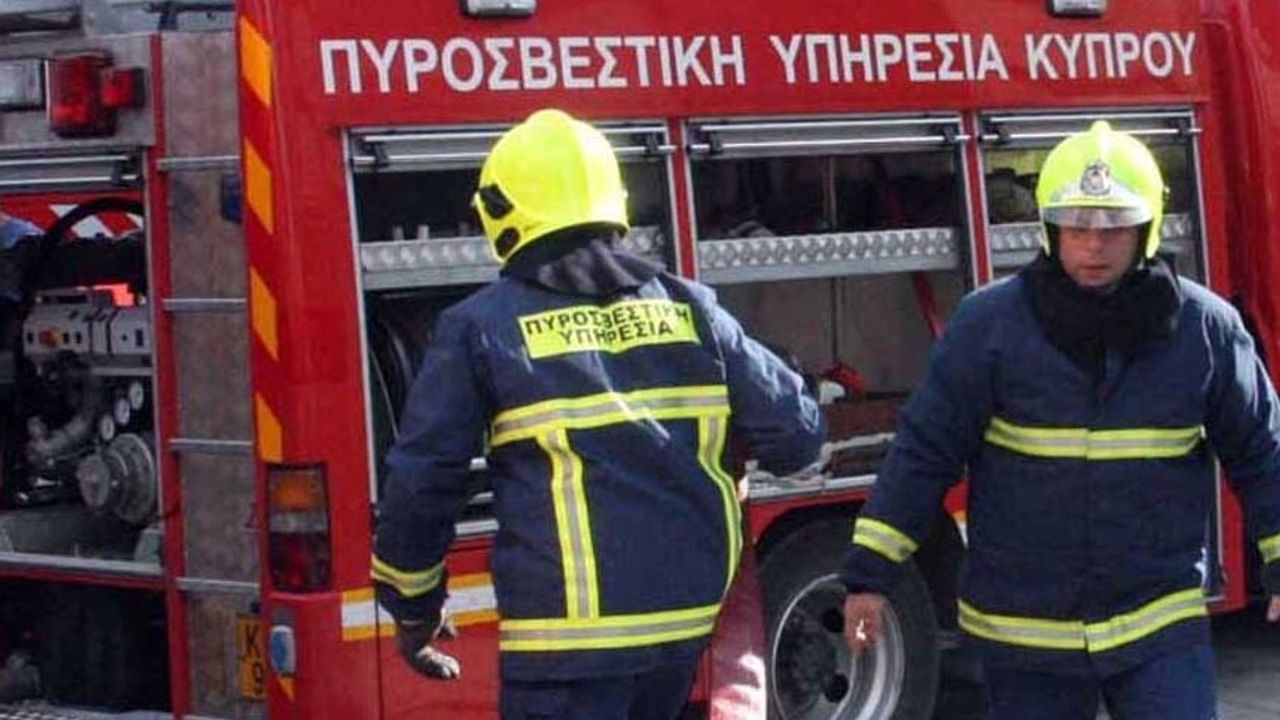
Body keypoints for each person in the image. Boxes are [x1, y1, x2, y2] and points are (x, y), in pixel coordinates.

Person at [371, 108, 824, 720]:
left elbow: (424, 480)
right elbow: (798, 440)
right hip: (679, 634)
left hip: (565, 652)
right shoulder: (693, 309)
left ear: (501, 211)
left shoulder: (480, 328)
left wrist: (414, 605)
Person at [840, 121, 1280, 720]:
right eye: (1076, 227)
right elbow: (923, 453)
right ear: (1050, 230)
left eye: (1112, 228)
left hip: (1157, 623)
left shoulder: (1205, 330)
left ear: (1146, 229)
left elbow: (1261, 452)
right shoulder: (988, 327)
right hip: (1025, 632)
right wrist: (869, 575)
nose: (1093, 246)